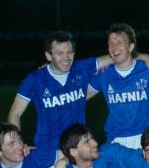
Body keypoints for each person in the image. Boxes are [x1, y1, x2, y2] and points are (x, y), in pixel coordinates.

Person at [7, 31, 111, 161]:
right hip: (48, 152)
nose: (66, 58)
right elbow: (15, 113)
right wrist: (17, 143)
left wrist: (144, 58)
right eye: (60, 53)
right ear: (48, 56)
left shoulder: (81, 68)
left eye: (70, 52)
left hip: (79, 150)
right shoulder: (35, 80)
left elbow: (116, 57)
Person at [87, 23, 149, 149]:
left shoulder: (147, 69)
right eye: (110, 44)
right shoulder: (103, 74)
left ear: (131, 46)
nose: (114, 48)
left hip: (146, 139)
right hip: (116, 140)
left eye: (119, 42)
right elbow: (79, 96)